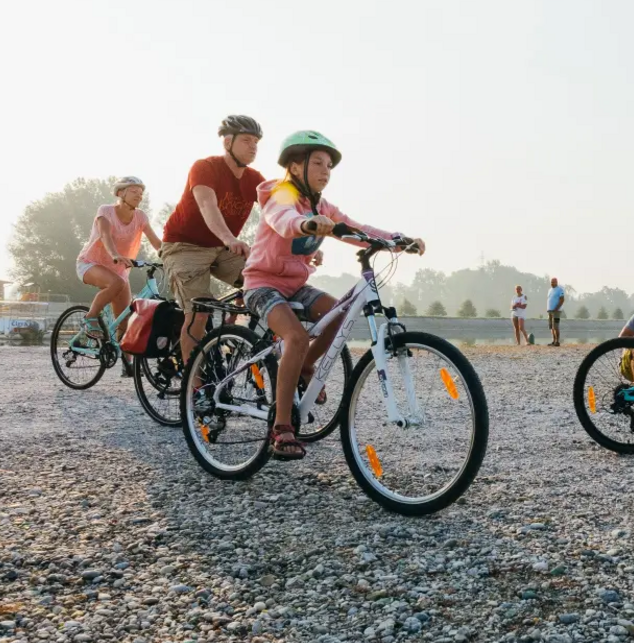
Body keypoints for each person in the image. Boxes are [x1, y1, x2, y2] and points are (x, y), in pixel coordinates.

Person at [243, 130, 422, 460]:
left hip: (296, 285)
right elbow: (282, 220)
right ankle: (282, 426)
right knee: (296, 338)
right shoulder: (278, 192)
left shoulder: (321, 205)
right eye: (318, 163)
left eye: (329, 166)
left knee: (340, 312)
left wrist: (399, 239)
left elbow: (357, 229)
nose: (326, 171)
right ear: (296, 167)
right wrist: (306, 225)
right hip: (262, 284)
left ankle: (304, 368)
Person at [161, 116, 264, 363]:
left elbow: (281, 212)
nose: (253, 146)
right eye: (247, 140)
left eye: (257, 142)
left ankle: (232, 327)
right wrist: (229, 238)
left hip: (221, 247)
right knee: (200, 311)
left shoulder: (254, 179)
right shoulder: (205, 167)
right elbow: (207, 205)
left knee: (264, 278)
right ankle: (193, 385)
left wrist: (303, 240)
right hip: (184, 246)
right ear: (227, 142)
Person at [77, 175, 162, 342]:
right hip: (90, 264)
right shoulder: (106, 211)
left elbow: (155, 241)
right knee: (117, 283)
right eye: (134, 191)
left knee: (125, 322)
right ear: (121, 193)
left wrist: (172, 254)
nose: (139, 195)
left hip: (119, 271)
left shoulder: (141, 217)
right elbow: (105, 235)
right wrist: (115, 254)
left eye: (141, 193)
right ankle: (90, 317)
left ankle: (128, 366)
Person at [546, 277, 566, 345]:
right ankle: (553, 341)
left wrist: (556, 308)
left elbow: (562, 300)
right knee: (551, 327)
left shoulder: (560, 290)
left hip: (556, 311)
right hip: (550, 310)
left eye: (553, 282)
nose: (552, 283)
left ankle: (557, 341)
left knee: (556, 326)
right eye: (551, 282)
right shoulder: (549, 290)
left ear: (556, 282)